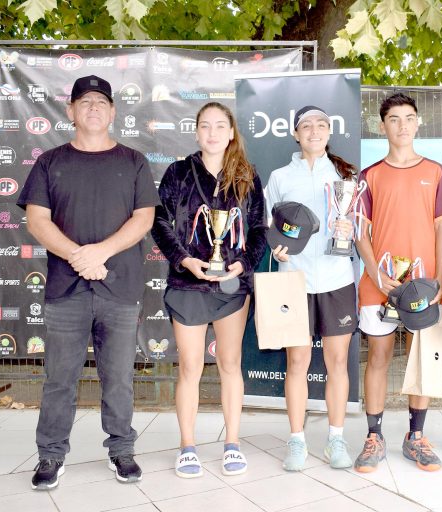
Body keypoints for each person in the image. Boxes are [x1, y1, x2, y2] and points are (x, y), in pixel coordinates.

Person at [18, 75, 160, 490]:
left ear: (113, 112)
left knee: (119, 378)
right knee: (59, 378)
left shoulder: (133, 161)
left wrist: (99, 253)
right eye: (84, 101)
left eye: (101, 102)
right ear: (71, 111)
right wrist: (78, 257)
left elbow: (144, 218)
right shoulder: (50, 162)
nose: (93, 107)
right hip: (66, 291)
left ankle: (122, 450)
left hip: (120, 288)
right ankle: (50, 454)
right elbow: (37, 221)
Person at [150, 102, 267, 478]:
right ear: (197, 131)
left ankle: (232, 444)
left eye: (220, 126)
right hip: (188, 284)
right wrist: (184, 260)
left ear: (231, 133)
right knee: (190, 367)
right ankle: (188, 447)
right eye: (205, 126)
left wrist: (243, 263)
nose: (213, 133)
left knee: (231, 364)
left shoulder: (247, 175)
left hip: (232, 286)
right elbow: (159, 221)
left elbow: (259, 229)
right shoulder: (178, 173)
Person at [353, 93, 442, 473]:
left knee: (421, 359)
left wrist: (439, 278)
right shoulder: (369, 176)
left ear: (417, 123)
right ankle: (374, 436)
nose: (402, 125)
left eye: (408, 118)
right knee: (378, 358)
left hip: (423, 287)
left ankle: (416, 436)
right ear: (382, 126)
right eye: (394, 119)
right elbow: (360, 233)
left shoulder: (435, 172)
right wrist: (374, 272)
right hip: (378, 286)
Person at [265, 106, 358, 471]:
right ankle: (297, 441)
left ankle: (336, 439)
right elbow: (268, 224)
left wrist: (351, 230)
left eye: (321, 125)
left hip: (337, 279)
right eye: (306, 126)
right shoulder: (280, 177)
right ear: (296, 133)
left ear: (329, 132)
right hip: (294, 280)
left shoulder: (345, 175)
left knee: (337, 363)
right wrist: (276, 246)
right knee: (297, 362)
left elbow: (360, 223)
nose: (314, 131)